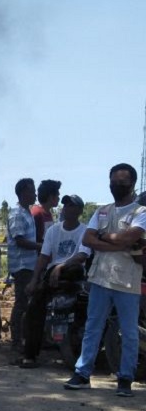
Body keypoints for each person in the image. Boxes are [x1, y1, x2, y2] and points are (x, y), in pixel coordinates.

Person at [65, 164, 146, 397]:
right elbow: (87, 239)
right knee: (93, 327)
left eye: (122, 182)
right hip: (100, 278)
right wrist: (115, 242)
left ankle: (125, 378)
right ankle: (82, 373)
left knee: (129, 332)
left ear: (132, 184)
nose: (116, 186)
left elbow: (129, 238)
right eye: (113, 182)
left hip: (127, 281)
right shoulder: (101, 211)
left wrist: (103, 237)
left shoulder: (140, 212)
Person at [17, 195, 90, 368]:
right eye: (65, 205)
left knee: (87, 307)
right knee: (34, 307)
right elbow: (43, 257)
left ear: (80, 210)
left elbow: (82, 255)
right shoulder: (53, 231)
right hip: (53, 275)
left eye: (72, 205)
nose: (67, 208)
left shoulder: (85, 231)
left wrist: (61, 267)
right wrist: (34, 280)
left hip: (74, 273)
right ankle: (30, 355)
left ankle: (84, 351)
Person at [7, 178, 41, 351]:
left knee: (26, 303)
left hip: (29, 264)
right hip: (22, 266)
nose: (35, 194)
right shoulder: (17, 214)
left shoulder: (27, 213)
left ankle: (23, 337)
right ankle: (16, 340)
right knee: (21, 302)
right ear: (22, 193)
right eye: (32, 191)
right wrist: (40, 247)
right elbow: (19, 240)